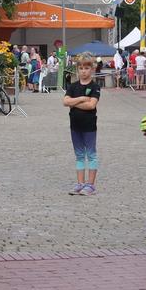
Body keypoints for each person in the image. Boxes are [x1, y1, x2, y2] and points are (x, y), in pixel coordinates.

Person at [63, 53, 101, 195]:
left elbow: (91, 105)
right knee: (79, 155)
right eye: (81, 68)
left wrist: (74, 103)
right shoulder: (73, 86)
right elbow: (65, 102)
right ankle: (80, 183)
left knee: (91, 155)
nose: (83, 71)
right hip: (75, 126)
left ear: (92, 69)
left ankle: (90, 185)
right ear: (77, 70)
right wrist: (81, 99)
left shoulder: (95, 86)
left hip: (89, 126)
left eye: (86, 68)